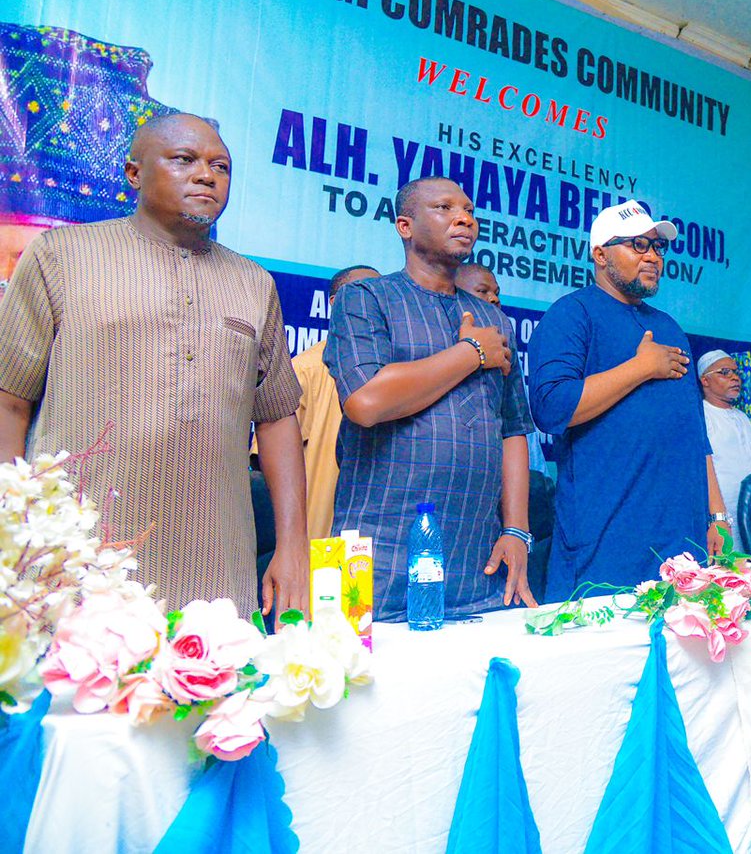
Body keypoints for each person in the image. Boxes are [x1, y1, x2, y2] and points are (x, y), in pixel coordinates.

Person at [0, 113, 306, 621]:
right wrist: (11, 530)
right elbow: (9, 398)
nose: (207, 175)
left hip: (217, 569)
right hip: (77, 564)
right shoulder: (61, 256)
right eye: (184, 160)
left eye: (221, 166)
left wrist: (293, 546)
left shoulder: (254, 283)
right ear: (133, 173)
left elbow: (276, 419)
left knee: (212, 698)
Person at [325, 176, 535, 621]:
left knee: (471, 683)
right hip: (373, 551)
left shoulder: (494, 318)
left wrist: (517, 529)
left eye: (469, 211)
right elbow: (365, 401)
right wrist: (471, 353)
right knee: (351, 680)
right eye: (443, 208)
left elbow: (513, 430)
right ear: (405, 225)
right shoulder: (365, 298)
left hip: (477, 557)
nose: (464, 218)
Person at [527, 201, 727, 601]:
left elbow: (694, 432)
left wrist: (717, 516)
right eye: (637, 245)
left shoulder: (668, 326)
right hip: (608, 538)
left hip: (681, 537)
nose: (652, 256)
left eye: (657, 247)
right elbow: (550, 407)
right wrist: (640, 368)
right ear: (600, 255)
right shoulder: (572, 314)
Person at [288, 264, 380, 540]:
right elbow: (267, 466)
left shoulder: (399, 372)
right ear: (334, 303)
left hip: (383, 540)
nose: (372, 305)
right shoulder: (304, 370)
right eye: (362, 295)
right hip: (320, 538)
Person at [698, 350, 751, 551]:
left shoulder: (741, 417)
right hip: (723, 515)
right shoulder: (702, 416)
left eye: (735, 372)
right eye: (724, 372)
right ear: (705, 380)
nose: (734, 378)